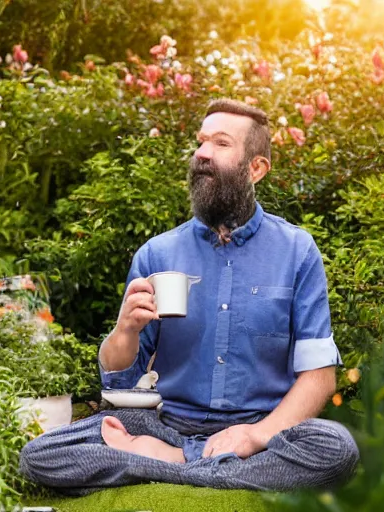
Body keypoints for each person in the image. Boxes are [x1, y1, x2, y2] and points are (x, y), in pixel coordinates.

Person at [18, 99, 359, 496]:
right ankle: (192, 461)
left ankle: (162, 462)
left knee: (337, 448)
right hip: (167, 424)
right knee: (42, 454)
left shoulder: (297, 251)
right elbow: (122, 379)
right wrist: (125, 330)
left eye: (220, 143)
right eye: (200, 143)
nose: (201, 153)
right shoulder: (157, 254)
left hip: (260, 429)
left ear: (256, 168)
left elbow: (319, 377)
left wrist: (253, 437)